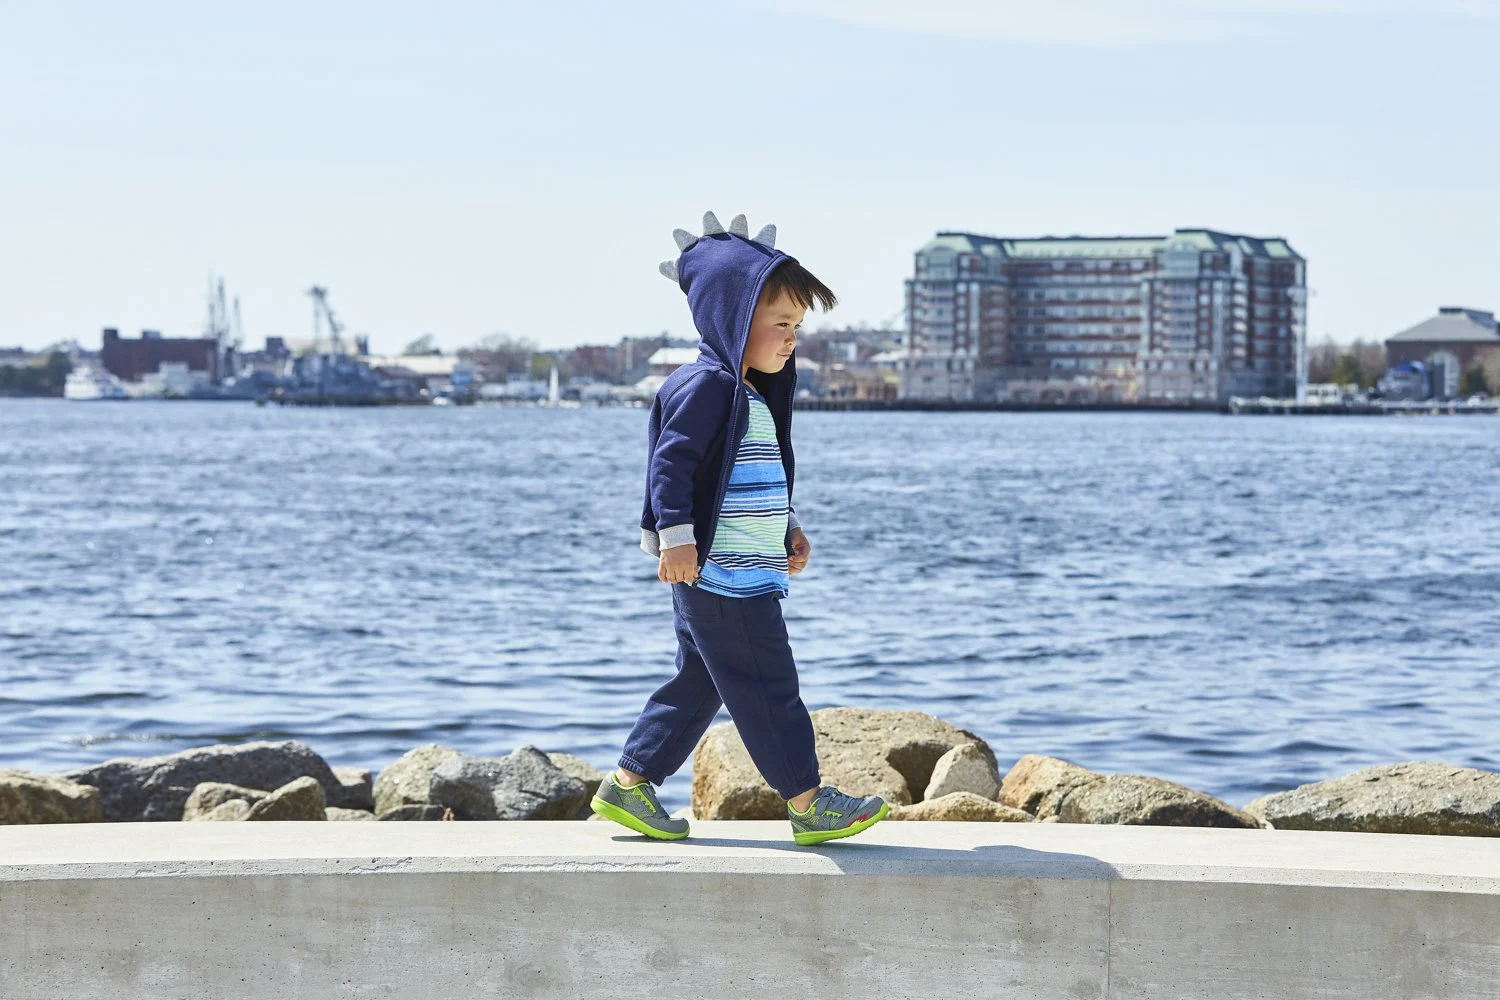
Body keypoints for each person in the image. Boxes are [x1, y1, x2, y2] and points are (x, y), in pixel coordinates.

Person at [589, 211, 889, 846]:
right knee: (769, 685)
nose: (791, 340)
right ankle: (808, 802)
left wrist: (787, 528)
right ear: (732, 316)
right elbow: (670, 466)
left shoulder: (746, 393)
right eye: (780, 324)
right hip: (721, 575)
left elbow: (746, 477)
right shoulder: (706, 386)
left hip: (735, 569)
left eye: (797, 327)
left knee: (699, 683)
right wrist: (676, 538)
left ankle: (629, 783)